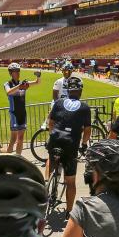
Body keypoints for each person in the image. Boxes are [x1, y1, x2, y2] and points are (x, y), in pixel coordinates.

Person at [45, 75, 91, 214]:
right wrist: (83, 144)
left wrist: (51, 136)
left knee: (51, 157)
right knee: (70, 181)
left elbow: (51, 123)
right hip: (71, 144)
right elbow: (87, 131)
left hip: (56, 138)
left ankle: (47, 181)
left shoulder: (58, 103)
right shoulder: (84, 107)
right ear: (80, 91)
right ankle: (69, 211)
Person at [4, 62, 41, 155]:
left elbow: (37, 82)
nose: (17, 73)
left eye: (18, 71)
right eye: (15, 71)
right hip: (14, 114)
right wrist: (19, 87)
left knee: (20, 139)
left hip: (22, 114)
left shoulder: (23, 83)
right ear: (10, 73)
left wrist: (38, 76)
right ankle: (6, 159)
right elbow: (8, 92)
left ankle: (18, 158)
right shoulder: (7, 84)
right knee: (13, 139)